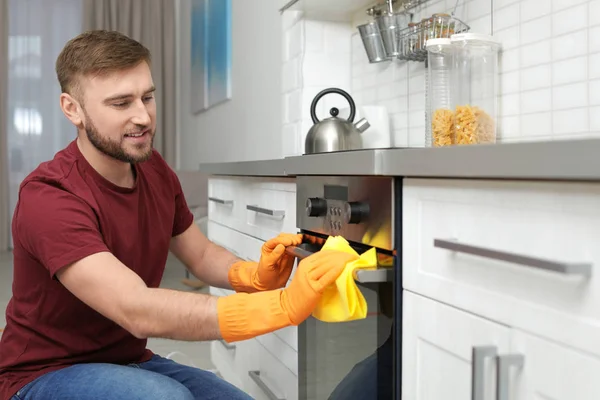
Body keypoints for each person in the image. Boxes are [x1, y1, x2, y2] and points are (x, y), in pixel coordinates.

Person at [0, 30, 357, 400]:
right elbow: (135, 307)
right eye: (121, 103)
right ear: (72, 108)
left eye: (148, 97)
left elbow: (199, 254)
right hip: (42, 375)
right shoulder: (50, 196)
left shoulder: (153, 168)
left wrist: (250, 275)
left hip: (127, 359)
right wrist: (277, 306)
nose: (143, 117)